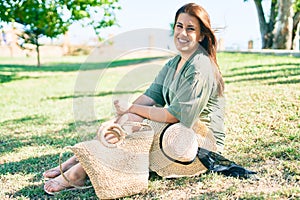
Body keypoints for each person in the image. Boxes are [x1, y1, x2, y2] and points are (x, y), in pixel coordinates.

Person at [43, 2, 225, 194]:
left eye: (191, 29)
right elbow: (150, 96)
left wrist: (131, 110)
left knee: (137, 122)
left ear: (202, 35)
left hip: (199, 142)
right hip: (176, 131)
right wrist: (118, 120)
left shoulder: (200, 67)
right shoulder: (175, 62)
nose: (182, 33)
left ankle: (78, 171)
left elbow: (174, 115)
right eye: (179, 26)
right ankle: (81, 160)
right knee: (129, 121)